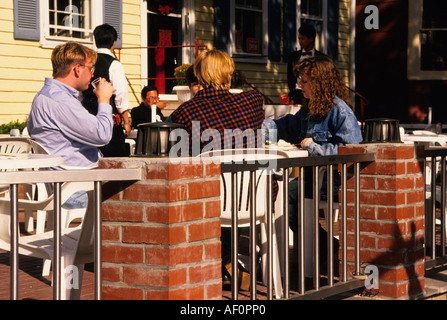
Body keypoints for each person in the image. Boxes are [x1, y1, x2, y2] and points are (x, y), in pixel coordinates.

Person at [263, 55, 363, 279]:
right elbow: (284, 126)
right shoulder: (308, 109)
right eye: (300, 80)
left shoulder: (340, 111)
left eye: (305, 81)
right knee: (284, 194)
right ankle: (325, 246)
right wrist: (256, 126)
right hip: (312, 179)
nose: (300, 86)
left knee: (288, 193)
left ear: (320, 83)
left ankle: (320, 249)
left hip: (336, 182)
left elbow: (352, 150)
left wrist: (313, 147)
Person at [27, 42, 114, 209]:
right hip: (77, 189)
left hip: (60, 183)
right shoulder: (61, 101)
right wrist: (104, 99)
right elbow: (102, 135)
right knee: (137, 196)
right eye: (91, 68)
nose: (92, 74)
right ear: (78, 69)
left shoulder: (43, 96)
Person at [169, 48, 264, 155]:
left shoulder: (186, 111)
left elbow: (179, 154)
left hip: (208, 170)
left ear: (199, 76)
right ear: (227, 77)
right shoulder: (252, 100)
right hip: (249, 170)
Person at [81, 23, 131, 157]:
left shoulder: (87, 63)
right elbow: (120, 96)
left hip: (87, 118)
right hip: (109, 120)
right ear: (113, 43)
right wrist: (126, 122)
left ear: (95, 41)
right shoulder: (114, 64)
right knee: (114, 159)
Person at [287, 23, 324, 105]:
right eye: (299, 39)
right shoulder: (293, 56)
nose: (300, 42)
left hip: (315, 95)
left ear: (311, 39)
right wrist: (293, 93)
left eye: (302, 39)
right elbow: (290, 76)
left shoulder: (321, 57)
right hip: (297, 94)